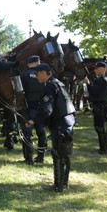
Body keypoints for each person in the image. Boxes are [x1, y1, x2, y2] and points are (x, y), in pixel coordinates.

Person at [34, 63, 76, 191]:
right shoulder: (58, 83)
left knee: (58, 153)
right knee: (65, 153)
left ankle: (59, 186)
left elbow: (47, 109)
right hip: (68, 121)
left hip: (60, 123)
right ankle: (64, 183)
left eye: (37, 74)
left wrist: (35, 121)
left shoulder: (50, 86)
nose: (36, 77)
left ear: (43, 72)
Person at [19, 55, 47, 165]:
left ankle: (28, 158)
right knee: (41, 132)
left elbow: (19, 92)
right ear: (38, 62)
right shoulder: (44, 74)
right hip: (42, 108)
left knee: (27, 133)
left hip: (28, 107)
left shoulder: (24, 74)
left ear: (28, 63)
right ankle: (41, 157)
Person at [85, 61, 107, 154]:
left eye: (96, 68)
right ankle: (103, 147)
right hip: (100, 105)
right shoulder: (101, 79)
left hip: (100, 106)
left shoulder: (102, 80)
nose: (95, 70)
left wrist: (87, 84)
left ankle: (103, 148)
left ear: (102, 69)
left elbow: (94, 91)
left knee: (100, 127)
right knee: (99, 127)